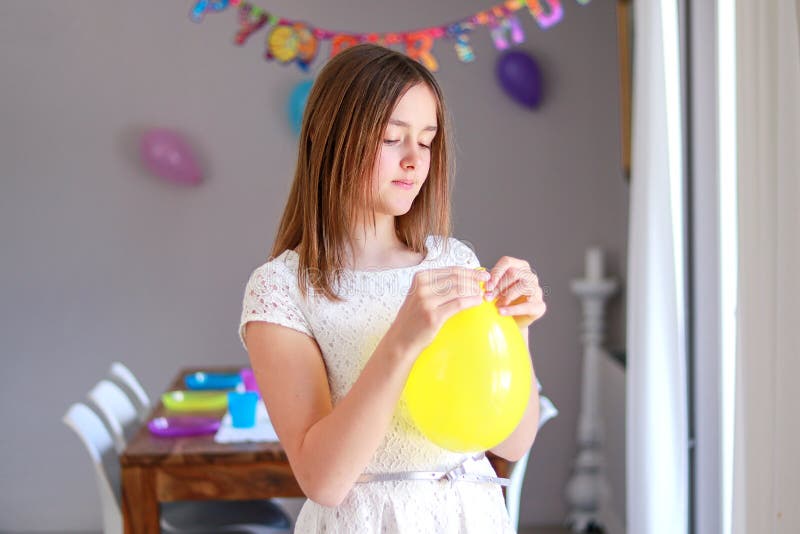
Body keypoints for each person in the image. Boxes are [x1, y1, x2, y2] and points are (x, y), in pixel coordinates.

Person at [239, 43, 547, 533]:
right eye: (391, 138)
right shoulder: (281, 289)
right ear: (329, 138)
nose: (414, 161)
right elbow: (323, 480)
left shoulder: (453, 260)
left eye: (425, 142)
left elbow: (512, 442)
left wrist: (517, 329)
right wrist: (403, 340)